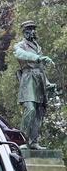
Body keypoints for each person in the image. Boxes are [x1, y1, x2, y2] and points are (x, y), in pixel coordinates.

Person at [14, 20, 55, 148]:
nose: (31, 31)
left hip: (39, 80)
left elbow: (41, 69)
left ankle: (34, 142)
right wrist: (37, 58)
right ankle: (22, 140)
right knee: (30, 109)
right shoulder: (20, 45)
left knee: (39, 112)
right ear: (24, 32)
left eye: (32, 29)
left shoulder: (38, 47)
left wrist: (48, 83)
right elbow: (20, 54)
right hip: (28, 80)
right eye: (28, 29)